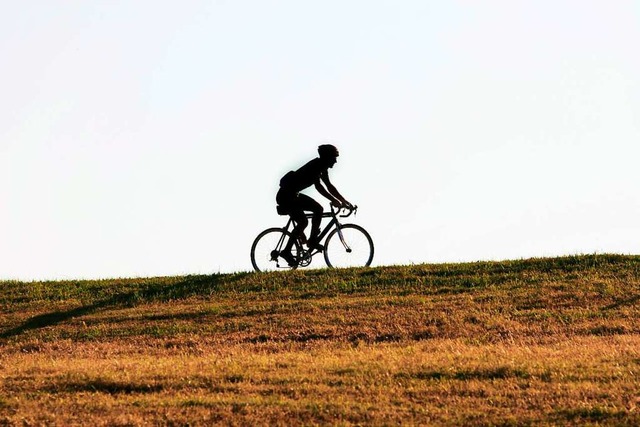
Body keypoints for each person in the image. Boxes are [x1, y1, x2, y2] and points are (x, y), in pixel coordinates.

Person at [276, 144, 353, 266]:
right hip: (286, 197)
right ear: (327, 157)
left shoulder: (321, 167)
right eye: (334, 157)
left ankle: (311, 240)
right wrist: (335, 200)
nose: (336, 161)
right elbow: (320, 187)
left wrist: (344, 201)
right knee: (305, 220)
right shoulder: (316, 166)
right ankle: (288, 251)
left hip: (292, 195)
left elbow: (329, 186)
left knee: (317, 210)